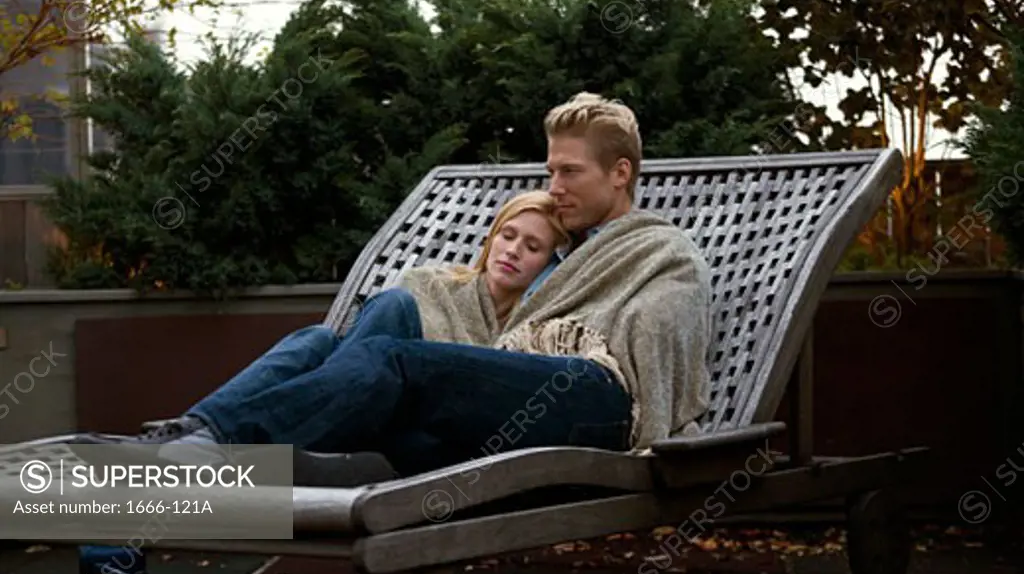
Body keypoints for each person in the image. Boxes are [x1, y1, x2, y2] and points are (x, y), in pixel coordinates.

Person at [77, 92, 713, 480]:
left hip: (592, 399)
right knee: (330, 351)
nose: (555, 187)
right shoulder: (566, 251)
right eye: (551, 171)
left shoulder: (662, 250)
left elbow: (665, 335)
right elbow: (492, 322)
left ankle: (219, 446)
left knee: (391, 360)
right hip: (522, 393)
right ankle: (186, 449)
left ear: (621, 172)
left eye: (569, 172)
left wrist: (590, 342)